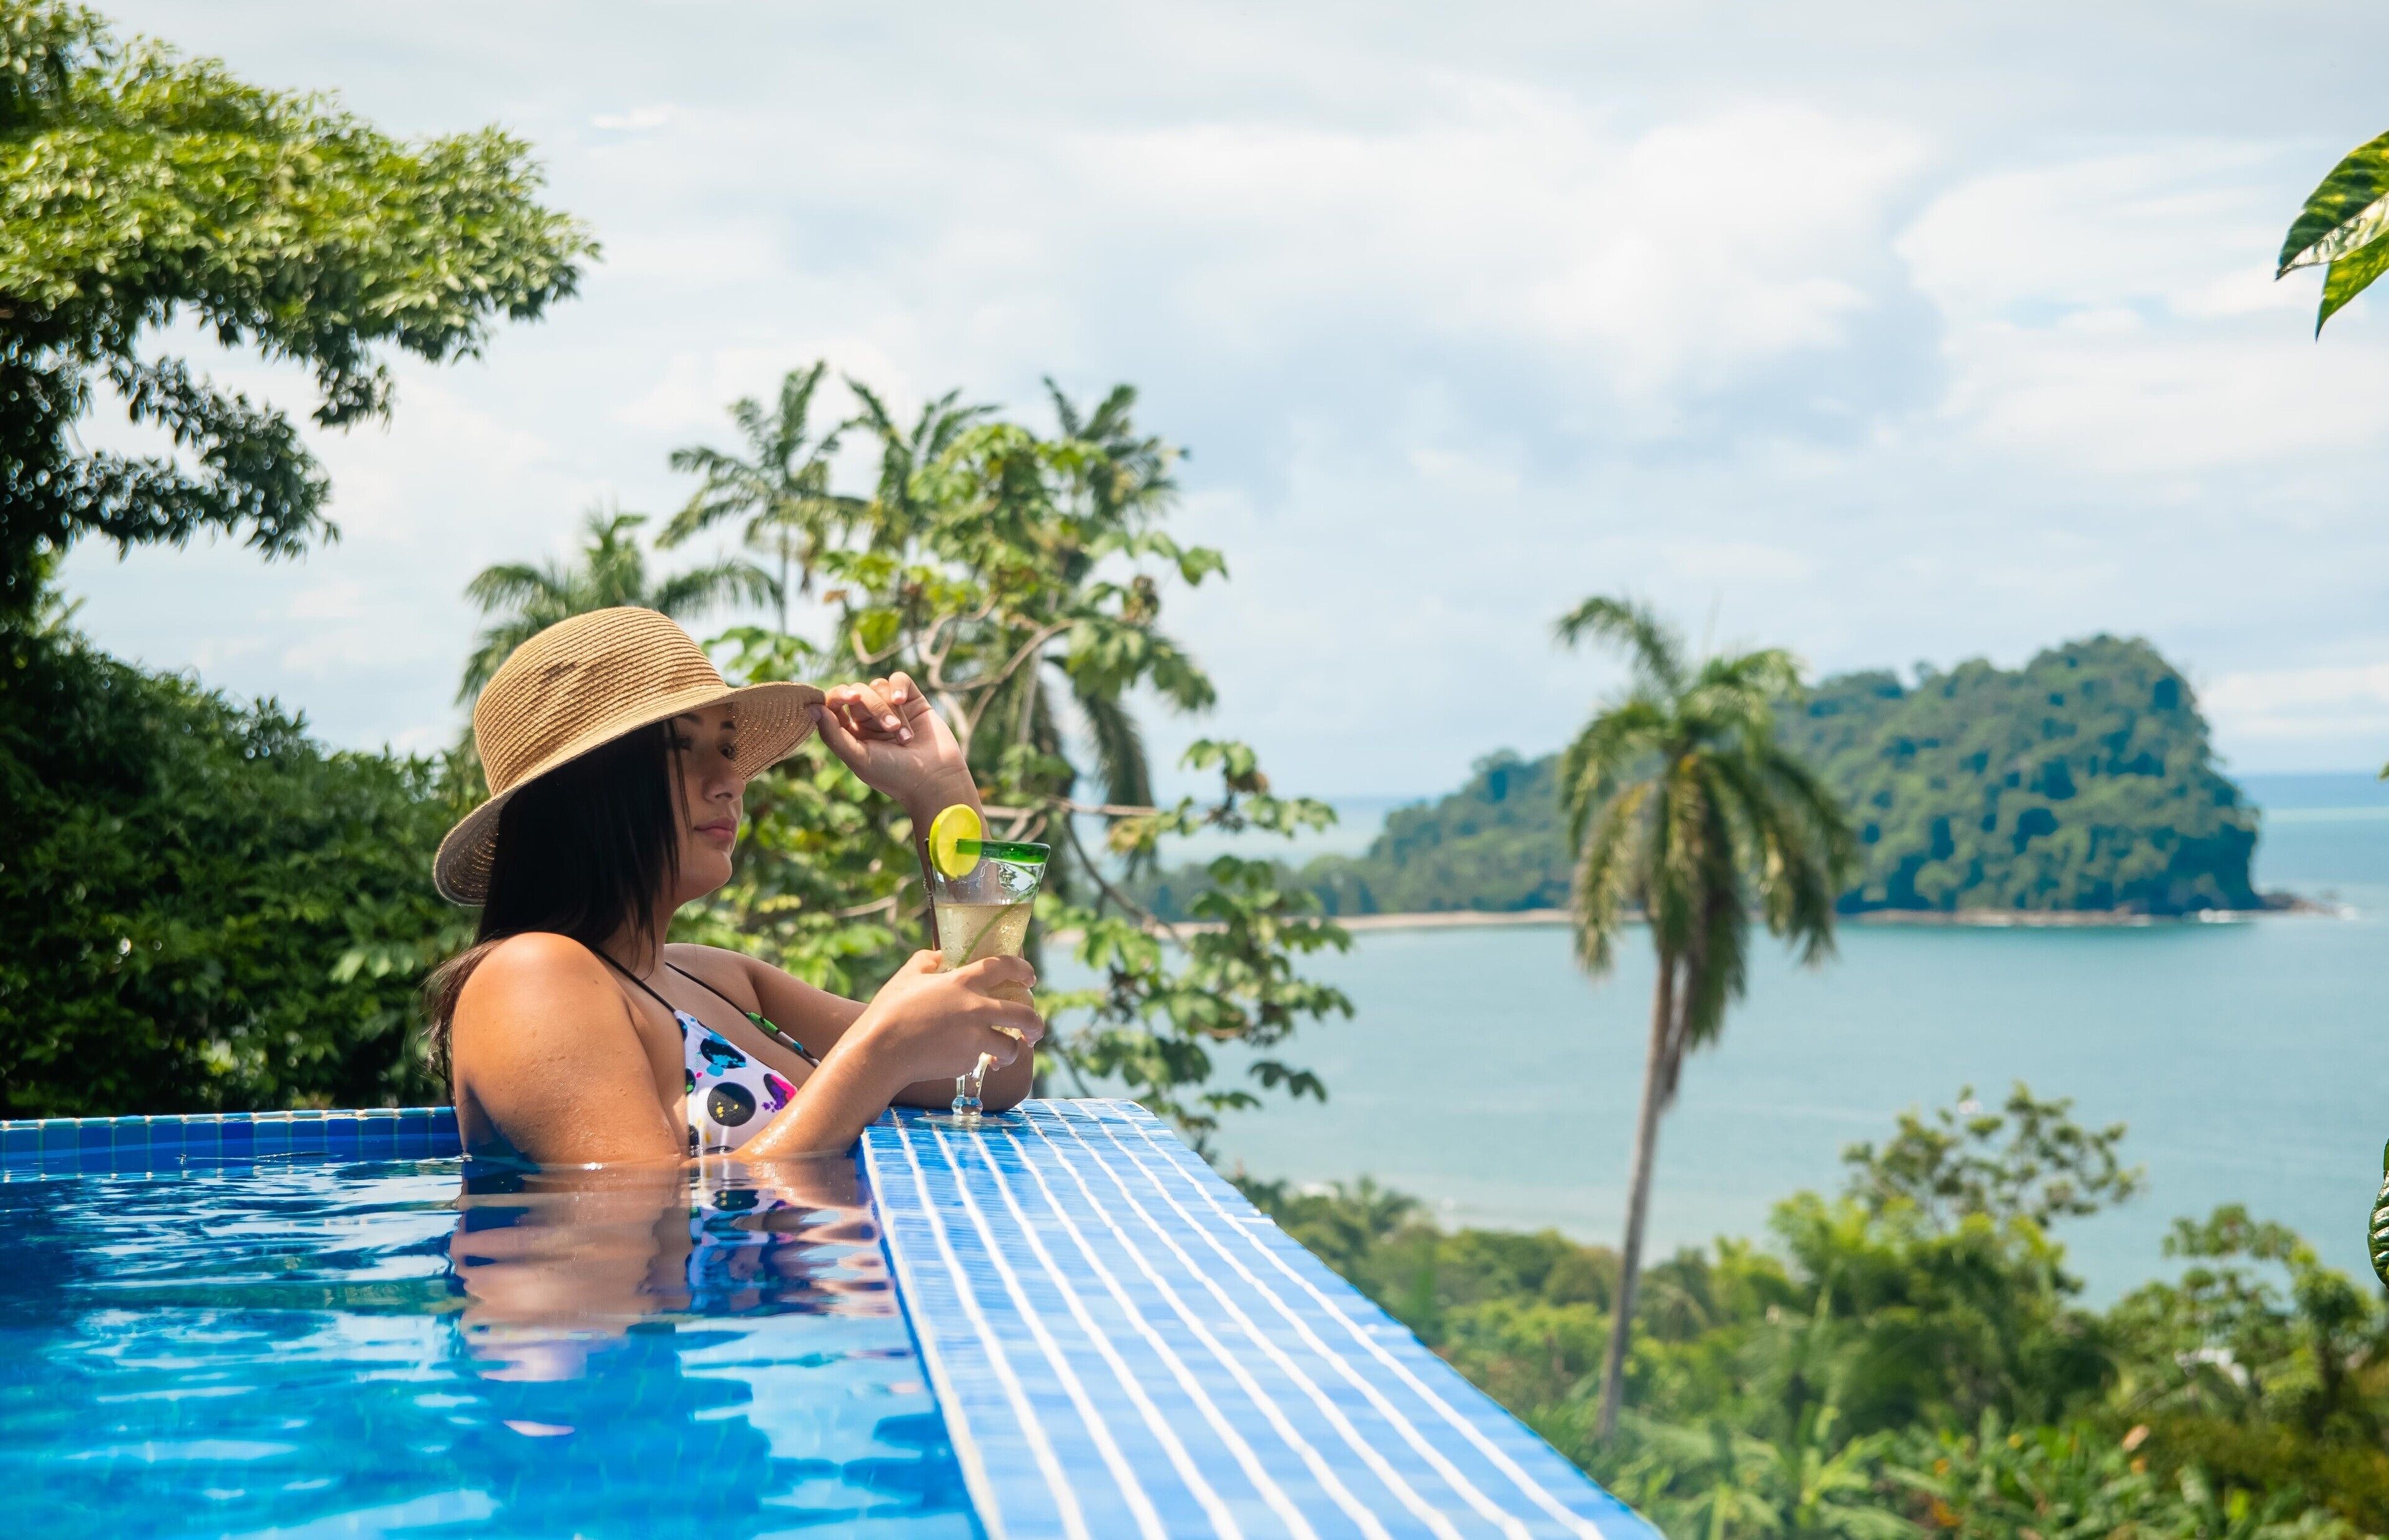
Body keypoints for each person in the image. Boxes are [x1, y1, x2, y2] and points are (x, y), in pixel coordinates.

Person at [426, 606, 1042, 1164]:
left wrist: (940, 789)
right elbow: (631, 1223)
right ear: (582, 791)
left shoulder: (716, 979)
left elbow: (993, 1068)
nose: (731, 779)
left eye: (726, 746)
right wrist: (877, 1055)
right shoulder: (530, 975)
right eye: (682, 748)